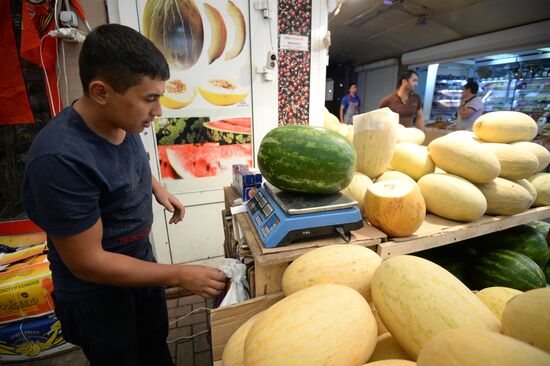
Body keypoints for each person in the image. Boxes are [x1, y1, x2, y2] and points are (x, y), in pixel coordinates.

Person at [22, 24, 226, 366]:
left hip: (140, 268)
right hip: (97, 296)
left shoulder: (122, 120)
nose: (158, 111)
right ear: (101, 92)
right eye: (150, 99)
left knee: (155, 351)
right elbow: (89, 262)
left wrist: (158, 189)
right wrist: (177, 274)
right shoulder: (59, 161)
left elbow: (130, 162)